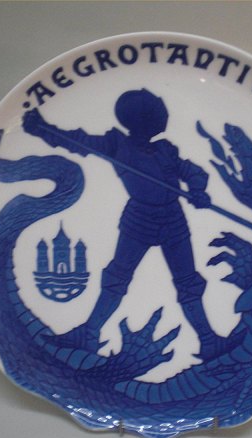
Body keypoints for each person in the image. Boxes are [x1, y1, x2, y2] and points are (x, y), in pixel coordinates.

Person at [22, 88, 226, 359]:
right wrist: (42, 129)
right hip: (139, 221)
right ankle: (89, 335)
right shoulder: (116, 145)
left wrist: (198, 191)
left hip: (173, 220)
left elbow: (193, 172)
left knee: (188, 281)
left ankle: (209, 342)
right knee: (117, 277)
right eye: (159, 112)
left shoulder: (165, 149)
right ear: (147, 119)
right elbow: (76, 141)